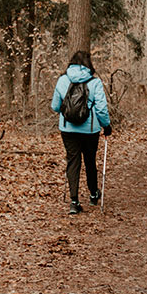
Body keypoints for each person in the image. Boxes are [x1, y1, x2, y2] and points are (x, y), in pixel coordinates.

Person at [51, 51, 111, 215]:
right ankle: (93, 194)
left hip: (68, 129)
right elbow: (101, 108)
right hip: (90, 130)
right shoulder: (95, 82)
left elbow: (55, 106)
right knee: (90, 161)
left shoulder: (63, 80)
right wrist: (106, 126)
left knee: (73, 161)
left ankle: (74, 201)